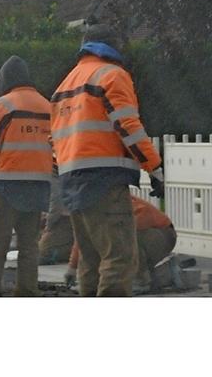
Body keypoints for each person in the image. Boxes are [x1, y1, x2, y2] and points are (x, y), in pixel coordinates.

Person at [51, 24, 163, 297]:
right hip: (104, 180)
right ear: (114, 46)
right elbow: (127, 125)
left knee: (90, 260)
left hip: (72, 182)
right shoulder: (112, 75)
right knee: (120, 257)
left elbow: (54, 140)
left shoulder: (64, 85)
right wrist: (154, 166)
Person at [0, 56, 53, 297]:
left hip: (7, 183)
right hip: (39, 183)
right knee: (29, 244)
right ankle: (27, 290)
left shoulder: (2, 105)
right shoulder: (47, 106)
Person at [65, 195, 177, 292]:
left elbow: (143, 214)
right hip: (142, 234)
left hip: (164, 234)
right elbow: (83, 239)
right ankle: (139, 274)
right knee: (112, 242)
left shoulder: (115, 202)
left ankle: (140, 280)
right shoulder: (90, 210)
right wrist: (72, 268)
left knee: (122, 239)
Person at [38, 161, 74, 264]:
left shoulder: (50, 176)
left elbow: (56, 205)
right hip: (65, 217)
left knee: (40, 255)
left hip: (64, 220)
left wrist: (48, 226)